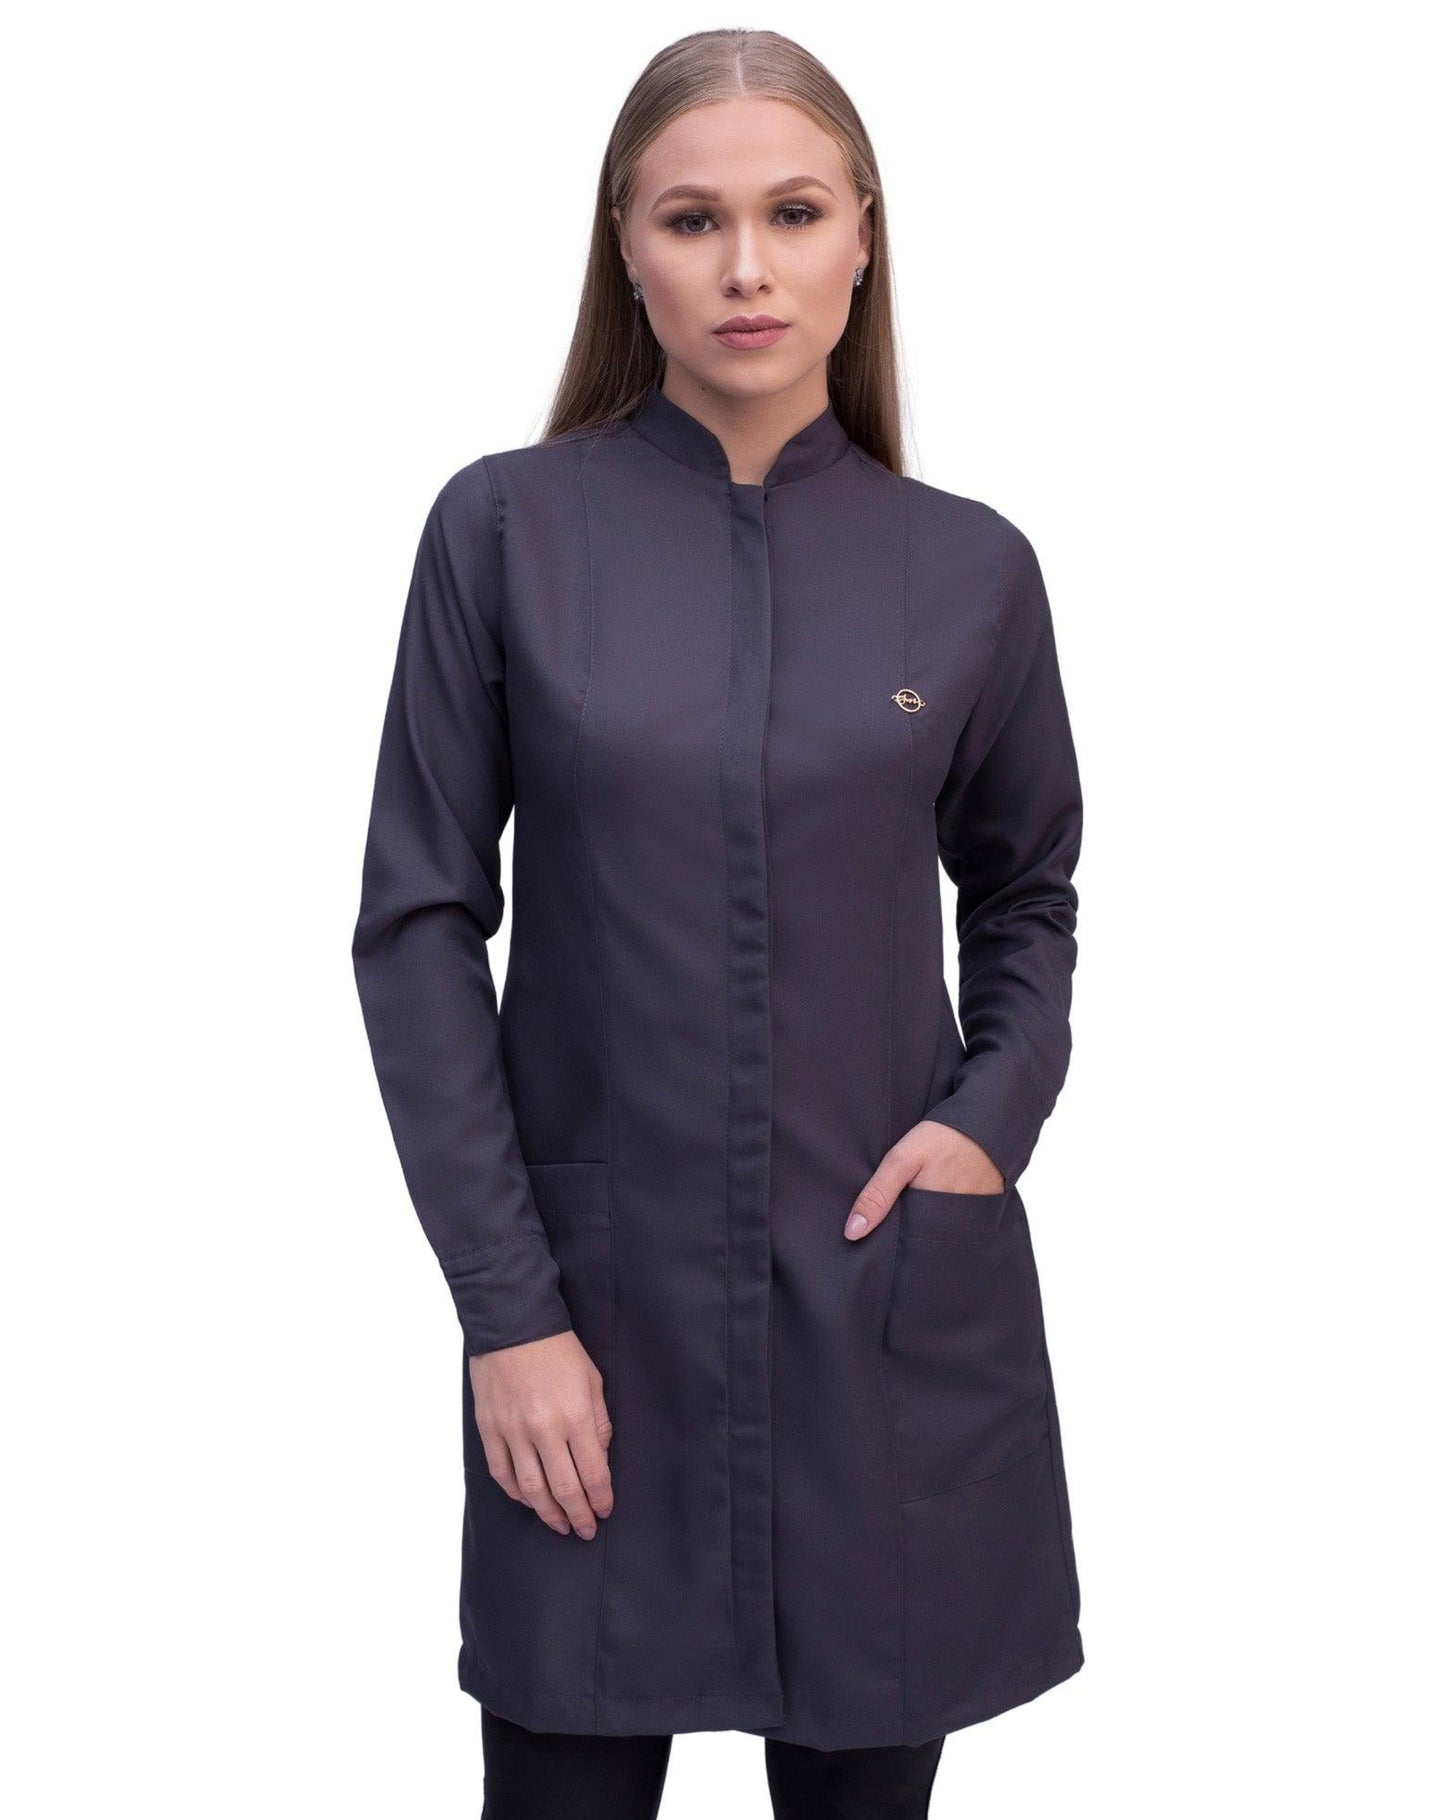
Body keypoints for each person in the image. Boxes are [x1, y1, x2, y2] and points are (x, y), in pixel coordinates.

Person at [351, 27, 1085, 1819]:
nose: (745, 266)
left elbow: (1025, 893)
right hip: (593, 1335)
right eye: (692, 220)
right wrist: (508, 1317)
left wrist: (988, 1122)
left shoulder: (968, 569)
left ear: (863, 238)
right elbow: (420, 924)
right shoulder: (504, 534)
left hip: (875, 1319)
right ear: (624, 246)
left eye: (793, 213)